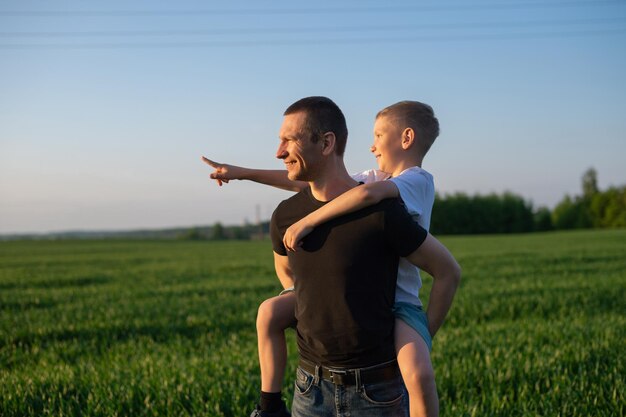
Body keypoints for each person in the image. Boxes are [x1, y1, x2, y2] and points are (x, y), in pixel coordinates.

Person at [206, 96, 460, 416]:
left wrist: (311, 220)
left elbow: (365, 197)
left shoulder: (408, 184)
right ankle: (268, 407)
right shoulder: (375, 178)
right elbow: (305, 179)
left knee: (418, 372)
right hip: (310, 388)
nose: (372, 145)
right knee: (268, 311)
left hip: (401, 308)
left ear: (406, 138)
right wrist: (241, 172)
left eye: (379, 136)